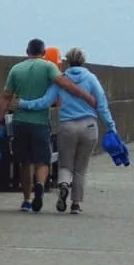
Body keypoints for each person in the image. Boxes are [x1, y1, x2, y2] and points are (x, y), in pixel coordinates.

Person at [0, 38, 94, 212]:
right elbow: (64, 85)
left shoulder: (16, 69)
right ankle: (40, 186)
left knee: (24, 162)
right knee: (42, 160)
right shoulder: (49, 67)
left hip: (20, 121)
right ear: (43, 53)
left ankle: (27, 200)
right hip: (40, 122)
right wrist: (86, 96)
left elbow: (5, 98)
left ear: (27, 51)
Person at [52, 47, 117, 214]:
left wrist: (24, 104)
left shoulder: (61, 79)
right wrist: (111, 126)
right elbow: (101, 105)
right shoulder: (91, 78)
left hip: (67, 126)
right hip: (89, 126)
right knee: (81, 168)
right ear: (83, 61)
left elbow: (46, 99)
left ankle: (64, 185)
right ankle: (75, 204)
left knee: (65, 164)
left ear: (67, 60)